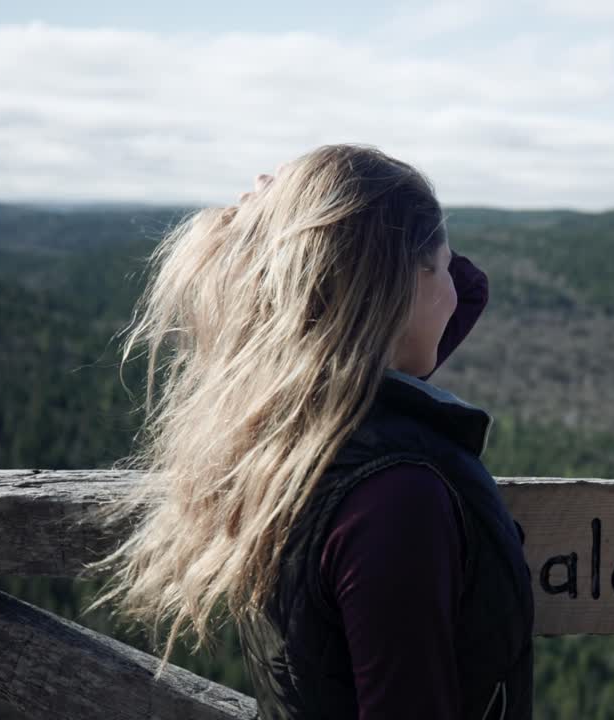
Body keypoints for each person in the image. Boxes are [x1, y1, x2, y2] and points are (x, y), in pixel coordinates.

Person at [83, 144, 534, 720]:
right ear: (399, 287)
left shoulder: (300, 432)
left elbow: (460, 295)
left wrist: (282, 236)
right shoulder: (395, 499)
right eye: (443, 266)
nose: (457, 288)